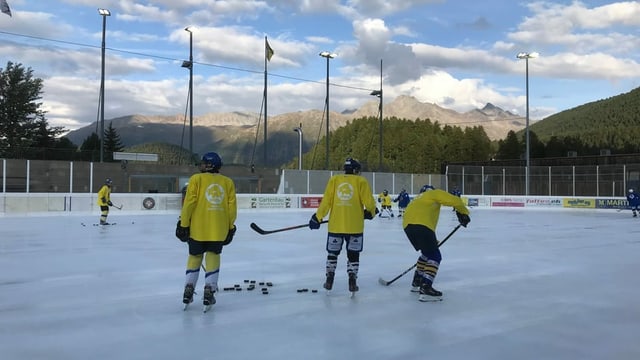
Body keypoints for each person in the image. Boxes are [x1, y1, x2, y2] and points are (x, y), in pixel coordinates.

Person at [176, 152, 237, 310]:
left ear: (210, 164)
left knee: (195, 256)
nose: (201, 165)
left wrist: (183, 224)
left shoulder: (196, 179)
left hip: (197, 229)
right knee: (213, 256)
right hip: (218, 230)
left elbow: (189, 203)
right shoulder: (228, 182)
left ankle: (189, 288)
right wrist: (231, 228)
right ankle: (209, 289)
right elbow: (232, 209)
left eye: (204, 163)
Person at [308, 157, 378, 294]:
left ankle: (329, 279)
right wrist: (372, 212)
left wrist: (318, 217)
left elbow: (327, 201)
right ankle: (352, 281)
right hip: (355, 227)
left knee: (332, 254)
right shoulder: (361, 181)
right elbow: (369, 203)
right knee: (353, 255)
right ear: (356, 170)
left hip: (336, 226)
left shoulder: (334, 180)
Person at [402, 184, 470, 302]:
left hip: (408, 228)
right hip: (422, 227)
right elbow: (455, 200)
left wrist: (433, 241)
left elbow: (422, 218)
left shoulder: (416, 200)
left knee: (426, 253)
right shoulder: (433, 193)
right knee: (435, 256)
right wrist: (464, 213)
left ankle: (417, 282)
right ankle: (426, 287)